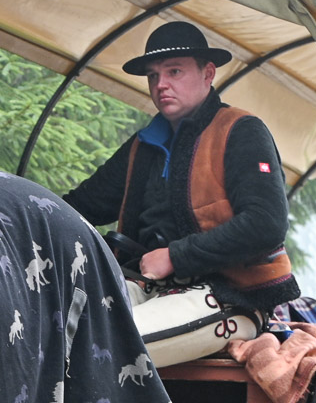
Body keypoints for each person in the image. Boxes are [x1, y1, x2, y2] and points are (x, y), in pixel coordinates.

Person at [64, 21, 300, 366]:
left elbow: (266, 224)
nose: (161, 85)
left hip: (231, 296)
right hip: (146, 286)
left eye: (174, 71)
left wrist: (175, 256)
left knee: (104, 344)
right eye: (153, 76)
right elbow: (83, 205)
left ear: (208, 73)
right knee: (52, 325)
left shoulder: (242, 131)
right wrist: (19, 209)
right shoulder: (144, 144)